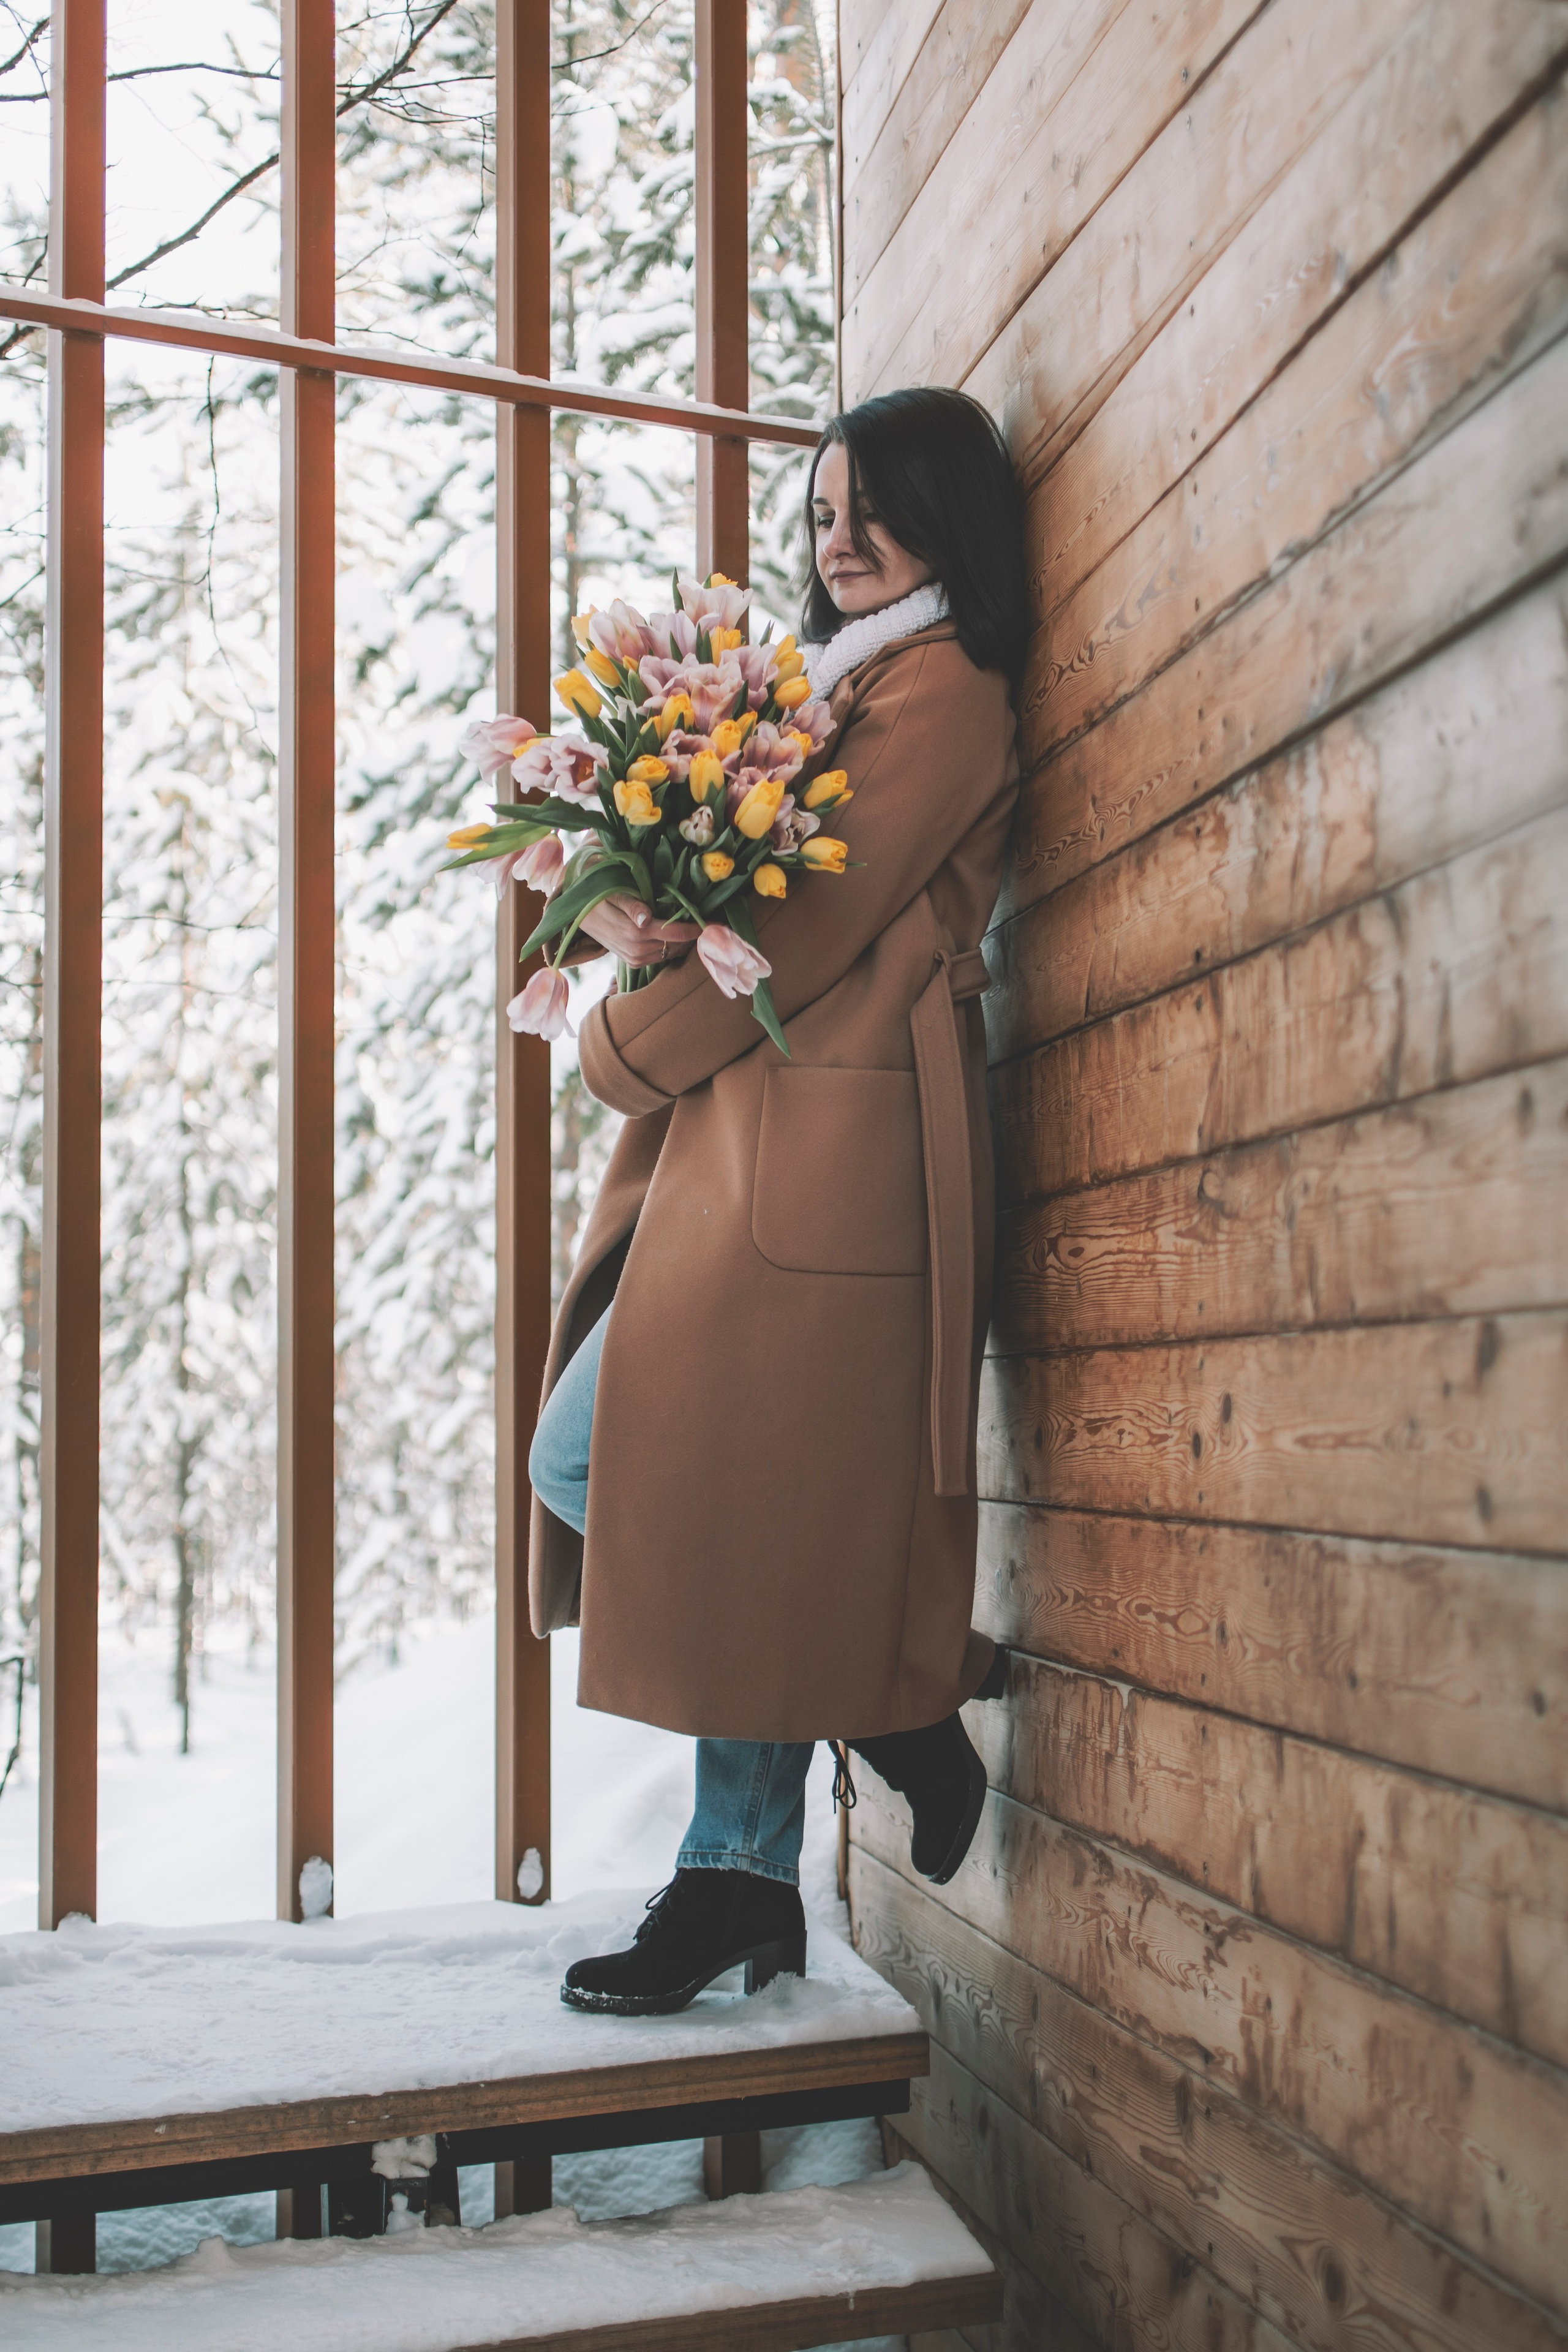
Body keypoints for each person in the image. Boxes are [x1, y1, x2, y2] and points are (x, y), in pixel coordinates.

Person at [528, 385, 1027, 2015]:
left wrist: (616, 1046)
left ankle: (752, 1854)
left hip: (839, 1149)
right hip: (765, 1137)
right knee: (638, 1467)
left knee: (636, 1463)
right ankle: (864, 1728)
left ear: (945, 516)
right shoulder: (851, 689)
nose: (841, 541)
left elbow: (804, 929)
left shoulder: (941, 693)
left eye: (871, 507)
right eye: (821, 514)